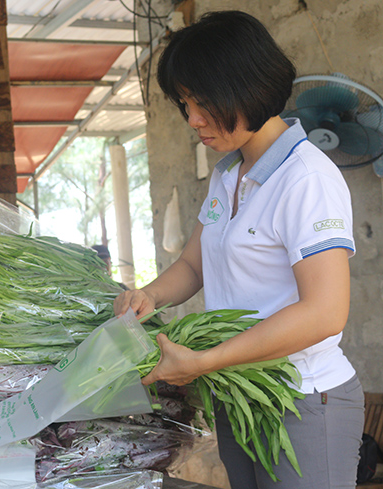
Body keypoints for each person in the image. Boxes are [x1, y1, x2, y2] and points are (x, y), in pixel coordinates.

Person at [113, 10, 364, 489]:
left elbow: (325, 312)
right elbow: (194, 262)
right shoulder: (227, 174)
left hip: (303, 400)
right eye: (185, 103)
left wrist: (205, 361)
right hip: (240, 394)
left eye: (204, 102)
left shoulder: (306, 179)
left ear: (248, 88)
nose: (193, 119)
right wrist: (148, 296)